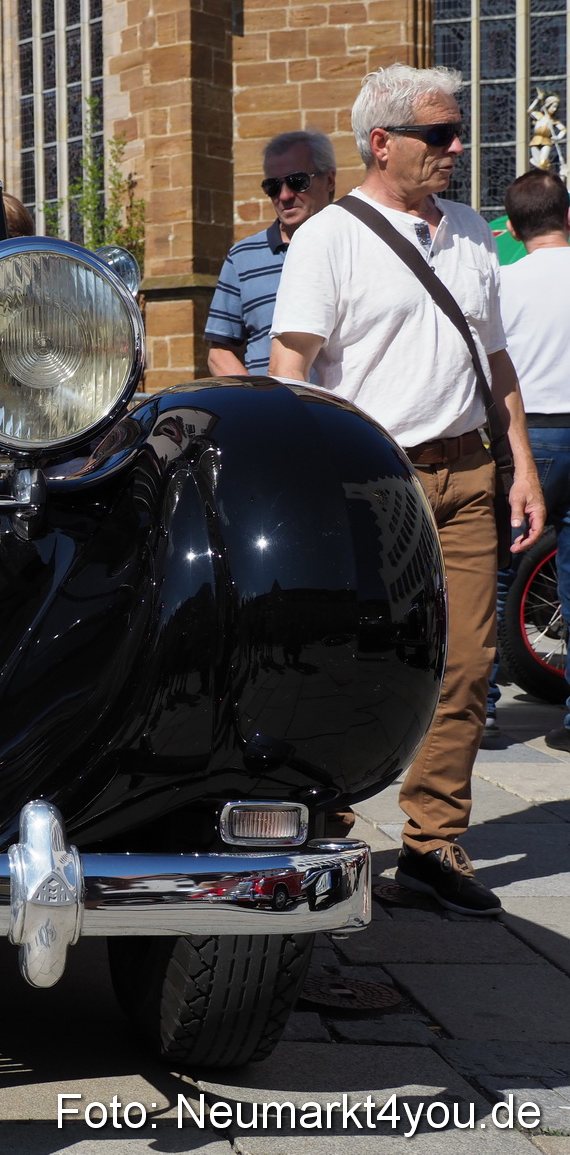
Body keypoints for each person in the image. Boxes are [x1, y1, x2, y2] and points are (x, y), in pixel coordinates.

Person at [269, 64, 546, 917]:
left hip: (469, 473)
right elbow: (291, 368)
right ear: (381, 142)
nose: (458, 147)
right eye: (440, 134)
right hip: (373, 481)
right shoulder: (329, 237)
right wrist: (307, 485)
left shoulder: (471, 232)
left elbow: (495, 359)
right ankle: (328, 826)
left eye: (458, 132)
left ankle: (431, 841)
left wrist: (522, 463)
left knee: (468, 664)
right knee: (356, 663)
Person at [496, 171, 570, 751]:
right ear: (568, 217)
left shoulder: (502, 283)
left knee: (498, 572)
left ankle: (479, 710)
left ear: (513, 229)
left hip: (531, 438)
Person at [206, 130, 337, 376]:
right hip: (272, 400)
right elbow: (220, 353)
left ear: (329, 180)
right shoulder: (242, 258)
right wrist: (257, 398)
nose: (284, 196)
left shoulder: (355, 245)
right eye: (273, 186)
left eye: (297, 181)